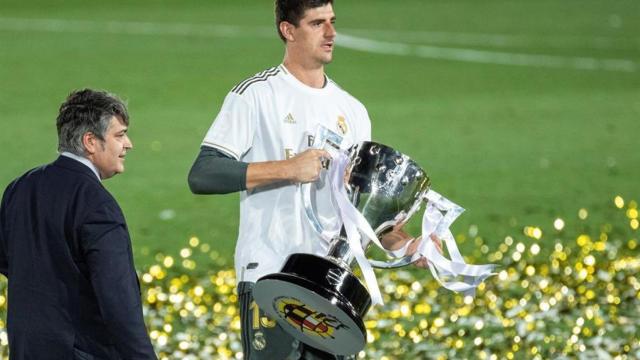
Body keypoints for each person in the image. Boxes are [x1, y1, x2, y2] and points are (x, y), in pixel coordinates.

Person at [188, 1, 427, 358]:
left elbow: (359, 210)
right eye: (317, 23)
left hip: (332, 290)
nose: (331, 33)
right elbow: (203, 173)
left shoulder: (353, 111)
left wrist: (407, 245)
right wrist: (288, 168)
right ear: (288, 30)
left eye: (332, 22)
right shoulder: (256, 95)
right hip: (270, 277)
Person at [0, 89, 157, 359]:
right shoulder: (96, 203)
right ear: (90, 142)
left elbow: (7, 261)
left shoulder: (20, 187)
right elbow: (118, 300)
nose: (128, 144)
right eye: (119, 135)